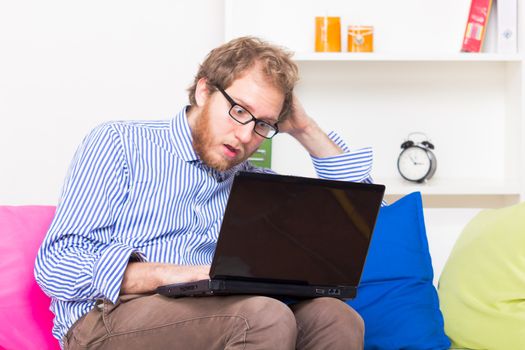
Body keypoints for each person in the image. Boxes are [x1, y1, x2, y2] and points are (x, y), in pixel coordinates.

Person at [35, 36, 375, 350]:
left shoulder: (255, 185)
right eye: (239, 110)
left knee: (336, 317)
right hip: (108, 318)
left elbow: (360, 213)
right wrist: (176, 273)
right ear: (203, 91)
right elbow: (56, 265)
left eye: (262, 125)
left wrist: (305, 129)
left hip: (220, 311)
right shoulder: (121, 144)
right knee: (263, 316)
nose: (245, 136)